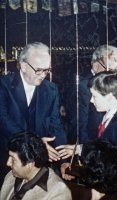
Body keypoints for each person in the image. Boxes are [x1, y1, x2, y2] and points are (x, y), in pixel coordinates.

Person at [58, 71, 117, 200]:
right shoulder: (111, 115)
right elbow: (111, 148)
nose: (91, 100)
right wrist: (81, 149)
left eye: (94, 95)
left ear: (110, 96)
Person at [0, 42, 67, 188]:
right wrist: (36, 142)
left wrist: (64, 160)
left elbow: (56, 126)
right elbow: (3, 121)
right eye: (39, 70)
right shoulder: (3, 85)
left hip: (36, 164)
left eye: (47, 70)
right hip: (6, 161)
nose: (43, 75)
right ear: (23, 66)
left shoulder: (51, 90)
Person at [65, 44, 117, 144]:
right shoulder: (83, 86)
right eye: (110, 71)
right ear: (95, 65)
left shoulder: (114, 84)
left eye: (116, 72)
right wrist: (85, 152)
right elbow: (78, 126)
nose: (113, 76)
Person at [0, 132, 72, 200]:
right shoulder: (10, 176)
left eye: (13, 159)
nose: (8, 163)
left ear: (30, 163)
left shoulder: (58, 192)